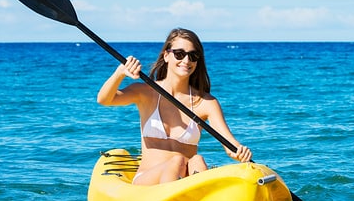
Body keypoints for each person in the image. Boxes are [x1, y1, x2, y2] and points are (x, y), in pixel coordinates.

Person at [97, 28, 252, 185]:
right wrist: (120, 73)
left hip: (183, 184)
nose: (186, 60)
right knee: (177, 160)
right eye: (179, 54)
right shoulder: (146, 92)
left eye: (193, 55)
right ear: (166, 55)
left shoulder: (206, 103)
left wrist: (240, 152)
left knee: (197, 160)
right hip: (147, 182)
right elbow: (105, 99)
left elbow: (230, 145)